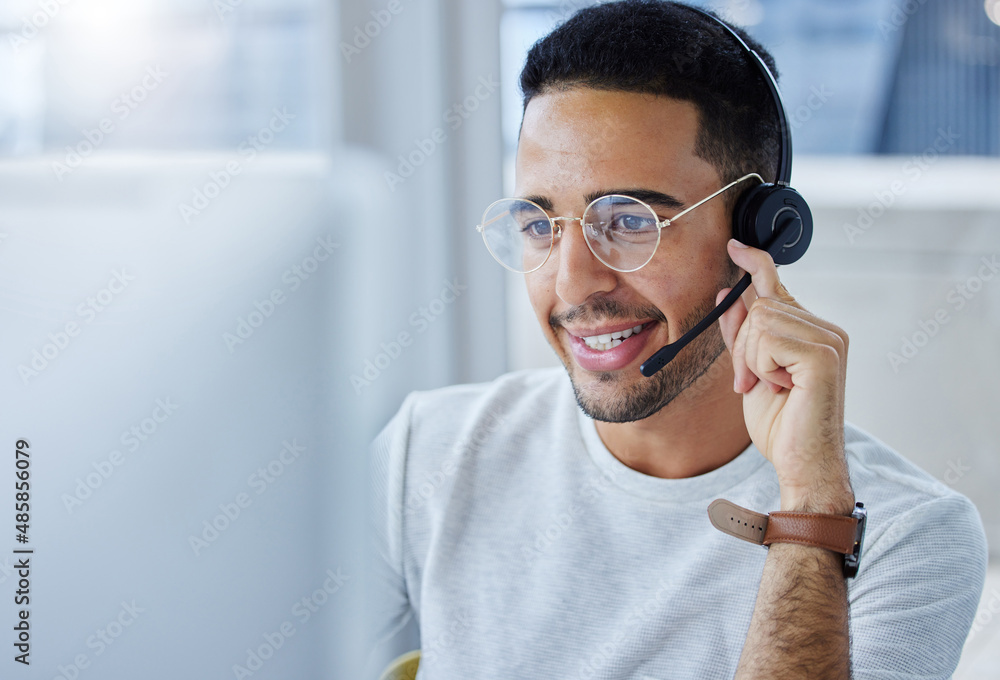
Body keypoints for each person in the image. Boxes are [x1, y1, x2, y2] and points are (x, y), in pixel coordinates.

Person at [367, 2, 988, 678]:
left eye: (629, 221)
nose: (573, 284)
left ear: (761, 232)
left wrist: (810, 510)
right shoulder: (427, 453)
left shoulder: (910, 536)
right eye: (540, 224)